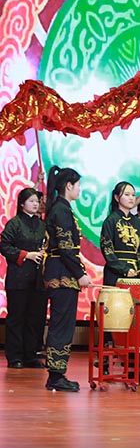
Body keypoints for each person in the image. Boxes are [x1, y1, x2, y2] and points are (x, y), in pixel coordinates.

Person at [42, 166, 92, 391]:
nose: (80, 189)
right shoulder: (61, 210)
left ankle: (57, 373)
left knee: (62, 323)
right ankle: (55, 375)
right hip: (62, 273)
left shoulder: (62, 208)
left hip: (62, 271)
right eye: (78, 185)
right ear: (69, 186)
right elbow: (65, 247)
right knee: (61, 324)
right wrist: (80, 274)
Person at [0, 188, 48, 369]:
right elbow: (4, 246)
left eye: (37, 201)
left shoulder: (42, 225)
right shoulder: (14, 223)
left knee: (35, 318)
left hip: (38, 278)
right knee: (17, 317)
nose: (35, 204)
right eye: (31, 201)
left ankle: (30, 355)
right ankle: (15, 357)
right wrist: (26, 255)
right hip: (18, 278)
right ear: (22, 204)